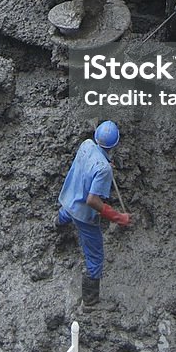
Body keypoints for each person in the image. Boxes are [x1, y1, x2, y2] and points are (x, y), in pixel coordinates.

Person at [57, 121, 131, 308]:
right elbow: (92, 200)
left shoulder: (86, 145)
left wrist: (104, 161)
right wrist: (118, 217)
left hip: (69, 197)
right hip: (84, 213)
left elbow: (88, 164)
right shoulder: (104, 170)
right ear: (115, 145)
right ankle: (90, 302)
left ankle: (56, 225)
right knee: (95, 256)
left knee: (66, 214)